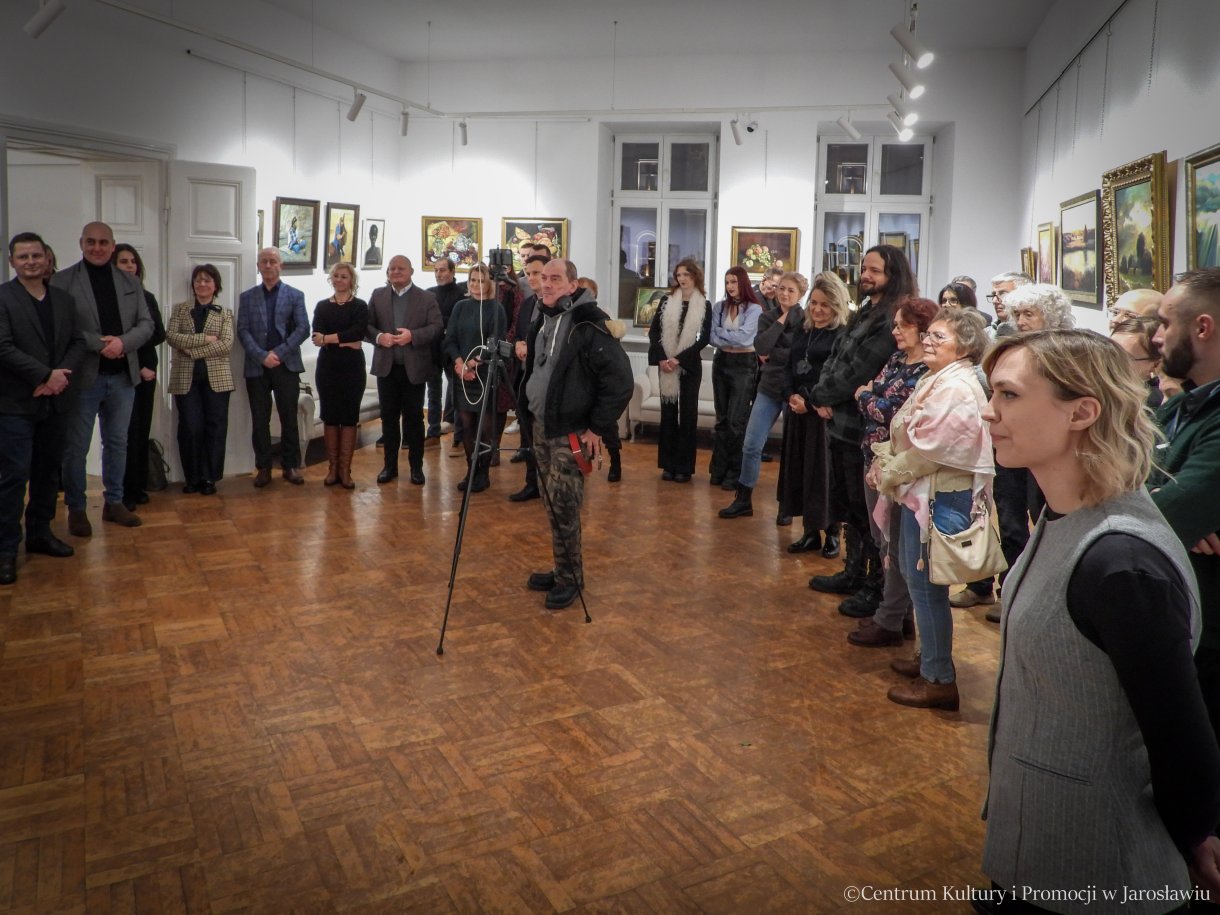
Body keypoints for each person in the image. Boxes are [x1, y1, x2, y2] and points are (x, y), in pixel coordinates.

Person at [979, 328, 1220, 911]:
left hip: (1098, 873)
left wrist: (1193, 835)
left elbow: (1180, 739)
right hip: (1036, 844)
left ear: (1082, 412)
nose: (988, 412)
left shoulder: (1121, 563)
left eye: (1009, 395)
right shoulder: (1065, 518)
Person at [870, 307, 993, 710]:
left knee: (927, 586)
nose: (928, 341)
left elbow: (933, 448)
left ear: (965, 347)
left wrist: (888, 470)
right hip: (921, 490)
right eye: (929, 335)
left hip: (940, 496)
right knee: (914, 576)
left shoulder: (957, 386)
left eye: (939, 337)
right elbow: (909, 434)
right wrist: (887, 458)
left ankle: (939, 679)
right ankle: (928, 656)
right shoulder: (936, 377)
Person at [806, 245, 912, 620]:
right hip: (839, 421)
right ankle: (852, 572)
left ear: (892, 275)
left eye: (874, 270)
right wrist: (820, 394)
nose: (865, 275)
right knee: (847, 505)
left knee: (869, 515)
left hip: (862, 430)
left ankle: (874, 586)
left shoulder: (890, 318)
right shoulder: (864, 310)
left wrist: (822, 395)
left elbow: (861, 370)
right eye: (864, 268)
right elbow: (836, 356)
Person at [522, 258, 633, 610]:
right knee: (551, 503)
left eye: (555, 279)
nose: (546, 283)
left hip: (569, 432)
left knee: (565, 506)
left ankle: (571, 580)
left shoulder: (590, 323)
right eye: (543, 278)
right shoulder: (543, 316)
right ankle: (562, 569)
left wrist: (597, 427)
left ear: (573, 285)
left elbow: (620, 382)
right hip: (542, 426)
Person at [1148, 268, 1220, 774]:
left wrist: (1163, 502)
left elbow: (1166, 515)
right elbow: (1123, 480)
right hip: (1182, 616)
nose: (1155, 337)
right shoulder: (1184, 403)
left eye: (1164, 323)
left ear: (1202, 327)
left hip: (1210, 633)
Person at [51, 221, 154, 535]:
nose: (97, 248)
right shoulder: (62, 281)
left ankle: (115, 502)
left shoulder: (129, 281)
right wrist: (100, 344)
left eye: (103, 242)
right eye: (91, 242)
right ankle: (77, 508)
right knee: (76, 448)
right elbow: (62, 326)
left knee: (117, 443)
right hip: (83, 378)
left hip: (123, 377)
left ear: (112, 245)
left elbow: (146, 323)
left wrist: (123, 343)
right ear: (81, 243)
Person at [847, 296, 936, 645]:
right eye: (896, 324)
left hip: (900, 467)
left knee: (895, 544)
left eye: (903, 325)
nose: (895, 331)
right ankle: (899, 613)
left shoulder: (925, 370)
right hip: (874, 458)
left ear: (922, 329)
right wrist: (873, 399)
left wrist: (865, 397)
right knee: (882, 539)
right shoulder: (898, 359)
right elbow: (880, 401)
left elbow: (892, 411)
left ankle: (890, 619)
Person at [0, 232, 86, 584]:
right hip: (15, 403)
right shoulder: (3, 298)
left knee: (49, 471)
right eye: (23, 257)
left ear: (47, 259)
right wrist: (44, 375)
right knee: (13, 476)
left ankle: (40, 533)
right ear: (12, 262)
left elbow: (78, 342)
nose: (31, 262)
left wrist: (58, 378)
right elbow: (3, 347)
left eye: (36, 255)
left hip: (56, 400)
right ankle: (6, 548)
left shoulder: (64, 300)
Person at [951, 271, 1035, 615]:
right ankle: (981, 584)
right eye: (995, 294)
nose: (999, 300)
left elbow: (992, 379)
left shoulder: (1040, 343)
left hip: (1026, 439)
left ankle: (1010, 594)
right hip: (993, 435)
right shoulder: (996, 332)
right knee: (987, 511)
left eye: (1005, 294)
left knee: (1016, 520)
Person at [720, 272, 806, 519]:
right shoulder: (767, 316)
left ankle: (786, 506)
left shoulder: (807, 320)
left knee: (791, 451)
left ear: (801, 295)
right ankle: (743, 499)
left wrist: (778, 353)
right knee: (751, 444)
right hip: (768, 387)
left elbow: (799, 356)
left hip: (795, 391)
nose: (784, 294)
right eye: (782, 288)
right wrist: (782, 320)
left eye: (790, 290)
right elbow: (762, 346)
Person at [779, 272, 849, 554]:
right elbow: (788, 366)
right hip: (797, 411)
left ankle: (832, 532)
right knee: (801, 472)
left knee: (824, 474)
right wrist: (790, 395)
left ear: (836, 306)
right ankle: (809, 532)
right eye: (814, 303)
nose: (818, 309)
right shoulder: (803, 329)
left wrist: (809, 403)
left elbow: (836, 376)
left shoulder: (841, 335)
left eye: (825, 305)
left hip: (822, 414)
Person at [367, 255, 443, 486]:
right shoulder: (377, 295)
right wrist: (379, 337)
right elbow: (367, 326)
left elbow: (437, 327)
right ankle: (389, 467)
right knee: (388, 419)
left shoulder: (426, 298)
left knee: (414, 419)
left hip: (414, 368)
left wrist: (413, 336)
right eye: (392, 269)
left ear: (411, 271)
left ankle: (416, 468)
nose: (396, 272)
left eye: (401, 268)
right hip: (387, 368)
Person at [237, 247, 309, 487]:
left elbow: (303, 328)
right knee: (260, 419)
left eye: (272, 261)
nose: (268, 265)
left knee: (289, 417)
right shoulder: (247, 297)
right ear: (258, 266)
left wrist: (278, 353)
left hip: (286, 364)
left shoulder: (295, 295)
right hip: (257, 366)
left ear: (281, 266)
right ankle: (264, 467)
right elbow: (242, 331)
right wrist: (261, 356)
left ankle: (290, 466)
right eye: (264, 262)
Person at [165, 264, 234, 496]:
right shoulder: (180, 310)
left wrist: (191, 350)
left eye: (207, 280)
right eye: (198, 280)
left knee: (215, 427)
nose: (202, 284)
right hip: (185, 379)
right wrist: (205, 339)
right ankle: (192, 477)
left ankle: (209, 477)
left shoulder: (225, 313)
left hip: (218, 379)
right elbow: (172, 337)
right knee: (190, 427)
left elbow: (226, 344)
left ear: (216, 285)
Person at [112, 243, 166, 511]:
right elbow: (113, 340)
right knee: (122, 433)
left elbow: (158, 333)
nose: (130, 266)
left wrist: (135, 342)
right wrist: (135, 354)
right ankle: (120, 492)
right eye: (123, 261)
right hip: (122, 372)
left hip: (147, 371)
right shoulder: (109, 299)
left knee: (141, 430)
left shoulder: (147, 297)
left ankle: (137, 486)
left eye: (133, 261)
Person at [444, 264, 506, 493]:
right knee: (467, 426)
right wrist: (460, 364)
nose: (475, 285)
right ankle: (471, 471)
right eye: (472, 280)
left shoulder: (496, 308)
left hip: (485, 374)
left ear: (489, 283)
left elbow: (495, 342)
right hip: (462, 375)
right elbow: (450, 340)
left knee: (486, 428)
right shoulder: (460, 306)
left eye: (480, 280)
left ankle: (484, 473)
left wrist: (473, 364)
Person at [648, 258, 711, 483]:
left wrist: (678, 359)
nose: (682, 279)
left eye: (686, 274)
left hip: (689, 366)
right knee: (668, 415)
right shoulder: (667, 301)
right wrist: (663, 359)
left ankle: (684, 467)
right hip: (666, 366)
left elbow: (704, 339)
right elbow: (654, 333)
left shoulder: (704, 305)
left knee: (687, 416)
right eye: (679, 275)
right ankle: (668, 465)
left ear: (695, 276)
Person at [311, 263, 369, 488]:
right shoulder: (322, 306)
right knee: (330, 416)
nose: (339, 280)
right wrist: (343, 340)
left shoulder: (360, 306)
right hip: (328, 367)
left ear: (352, 280)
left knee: (349, 417)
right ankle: (332, 468)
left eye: (344, 276)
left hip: (352, 368)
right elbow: (316, 337)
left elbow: (358, 333)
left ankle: (345, 470)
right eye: (336, 275)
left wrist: (328, 338)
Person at [708, 266, 762, 492]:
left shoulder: (754, 308)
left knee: (735, 421)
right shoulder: (719, 307)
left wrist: (723, 334)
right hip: (721, 362)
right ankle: (718, 469)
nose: (730, 286)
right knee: (721, 419)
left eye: (734, 282)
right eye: (727, 282)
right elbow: (711, 337)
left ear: (743, 283)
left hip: (744, 364)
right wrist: (728, 337)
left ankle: (734, 472)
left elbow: (745, 339)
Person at [508, 253, 550, 499]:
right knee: (527, 434)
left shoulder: (556, 307)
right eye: (528, 273)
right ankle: (532, 482)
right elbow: (518, 334)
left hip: (545, 383)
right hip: (525, 377)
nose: (531, 278)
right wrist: (517, 344)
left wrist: (529, 347)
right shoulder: (527, 304)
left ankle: (549, 484)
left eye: (537, 273)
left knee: (545, 436)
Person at [428, 257, 467, 451]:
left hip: (453, 348)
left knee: (457, 391)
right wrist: (442, 323)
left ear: (452, 271)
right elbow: (429, 321)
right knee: (433, 392)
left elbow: (456, 322)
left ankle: (459, 436)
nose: (438, 274)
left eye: (442, 270)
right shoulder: (429, 294)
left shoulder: (462, 294)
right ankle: (433, 432)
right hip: (433, 348)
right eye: (436, 270)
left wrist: (438, 323)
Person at [1110, 316, 1164, 409]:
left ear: (1155, 365)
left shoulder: (1149, 405)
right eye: (1108, 351)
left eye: (1123, 357)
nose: (1109, 360)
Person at [1007, 283, 1075, 332]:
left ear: (1050, 317)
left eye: (1028, 315)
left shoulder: (1063, 346)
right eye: (1017, 315)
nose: (1019, 322)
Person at [983, 271, 1031, 339]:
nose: (994, 301)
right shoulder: (984, 335)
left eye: (1003, 294)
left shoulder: (1036, 335)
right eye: (993, 295)